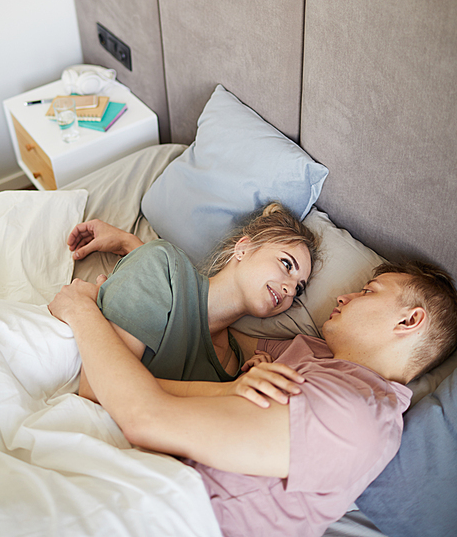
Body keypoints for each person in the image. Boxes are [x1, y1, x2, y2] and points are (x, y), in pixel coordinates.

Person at [48, 260, 457, 537]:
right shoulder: (313, 355)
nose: (342, 297)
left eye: (368, 291)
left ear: (409, 320)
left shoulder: (355, 416)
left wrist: (82, 312)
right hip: (137, 478)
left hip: (171, 517)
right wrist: (144, 265)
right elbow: (205, 318)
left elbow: (146, 417)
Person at [66, 203, 320, 400]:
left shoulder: (233, 365)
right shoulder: (162, 263)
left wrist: (238, 386)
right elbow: (95, 392)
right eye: (286, 264)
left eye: (298, 289)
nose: (289, 290)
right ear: (242, 248)